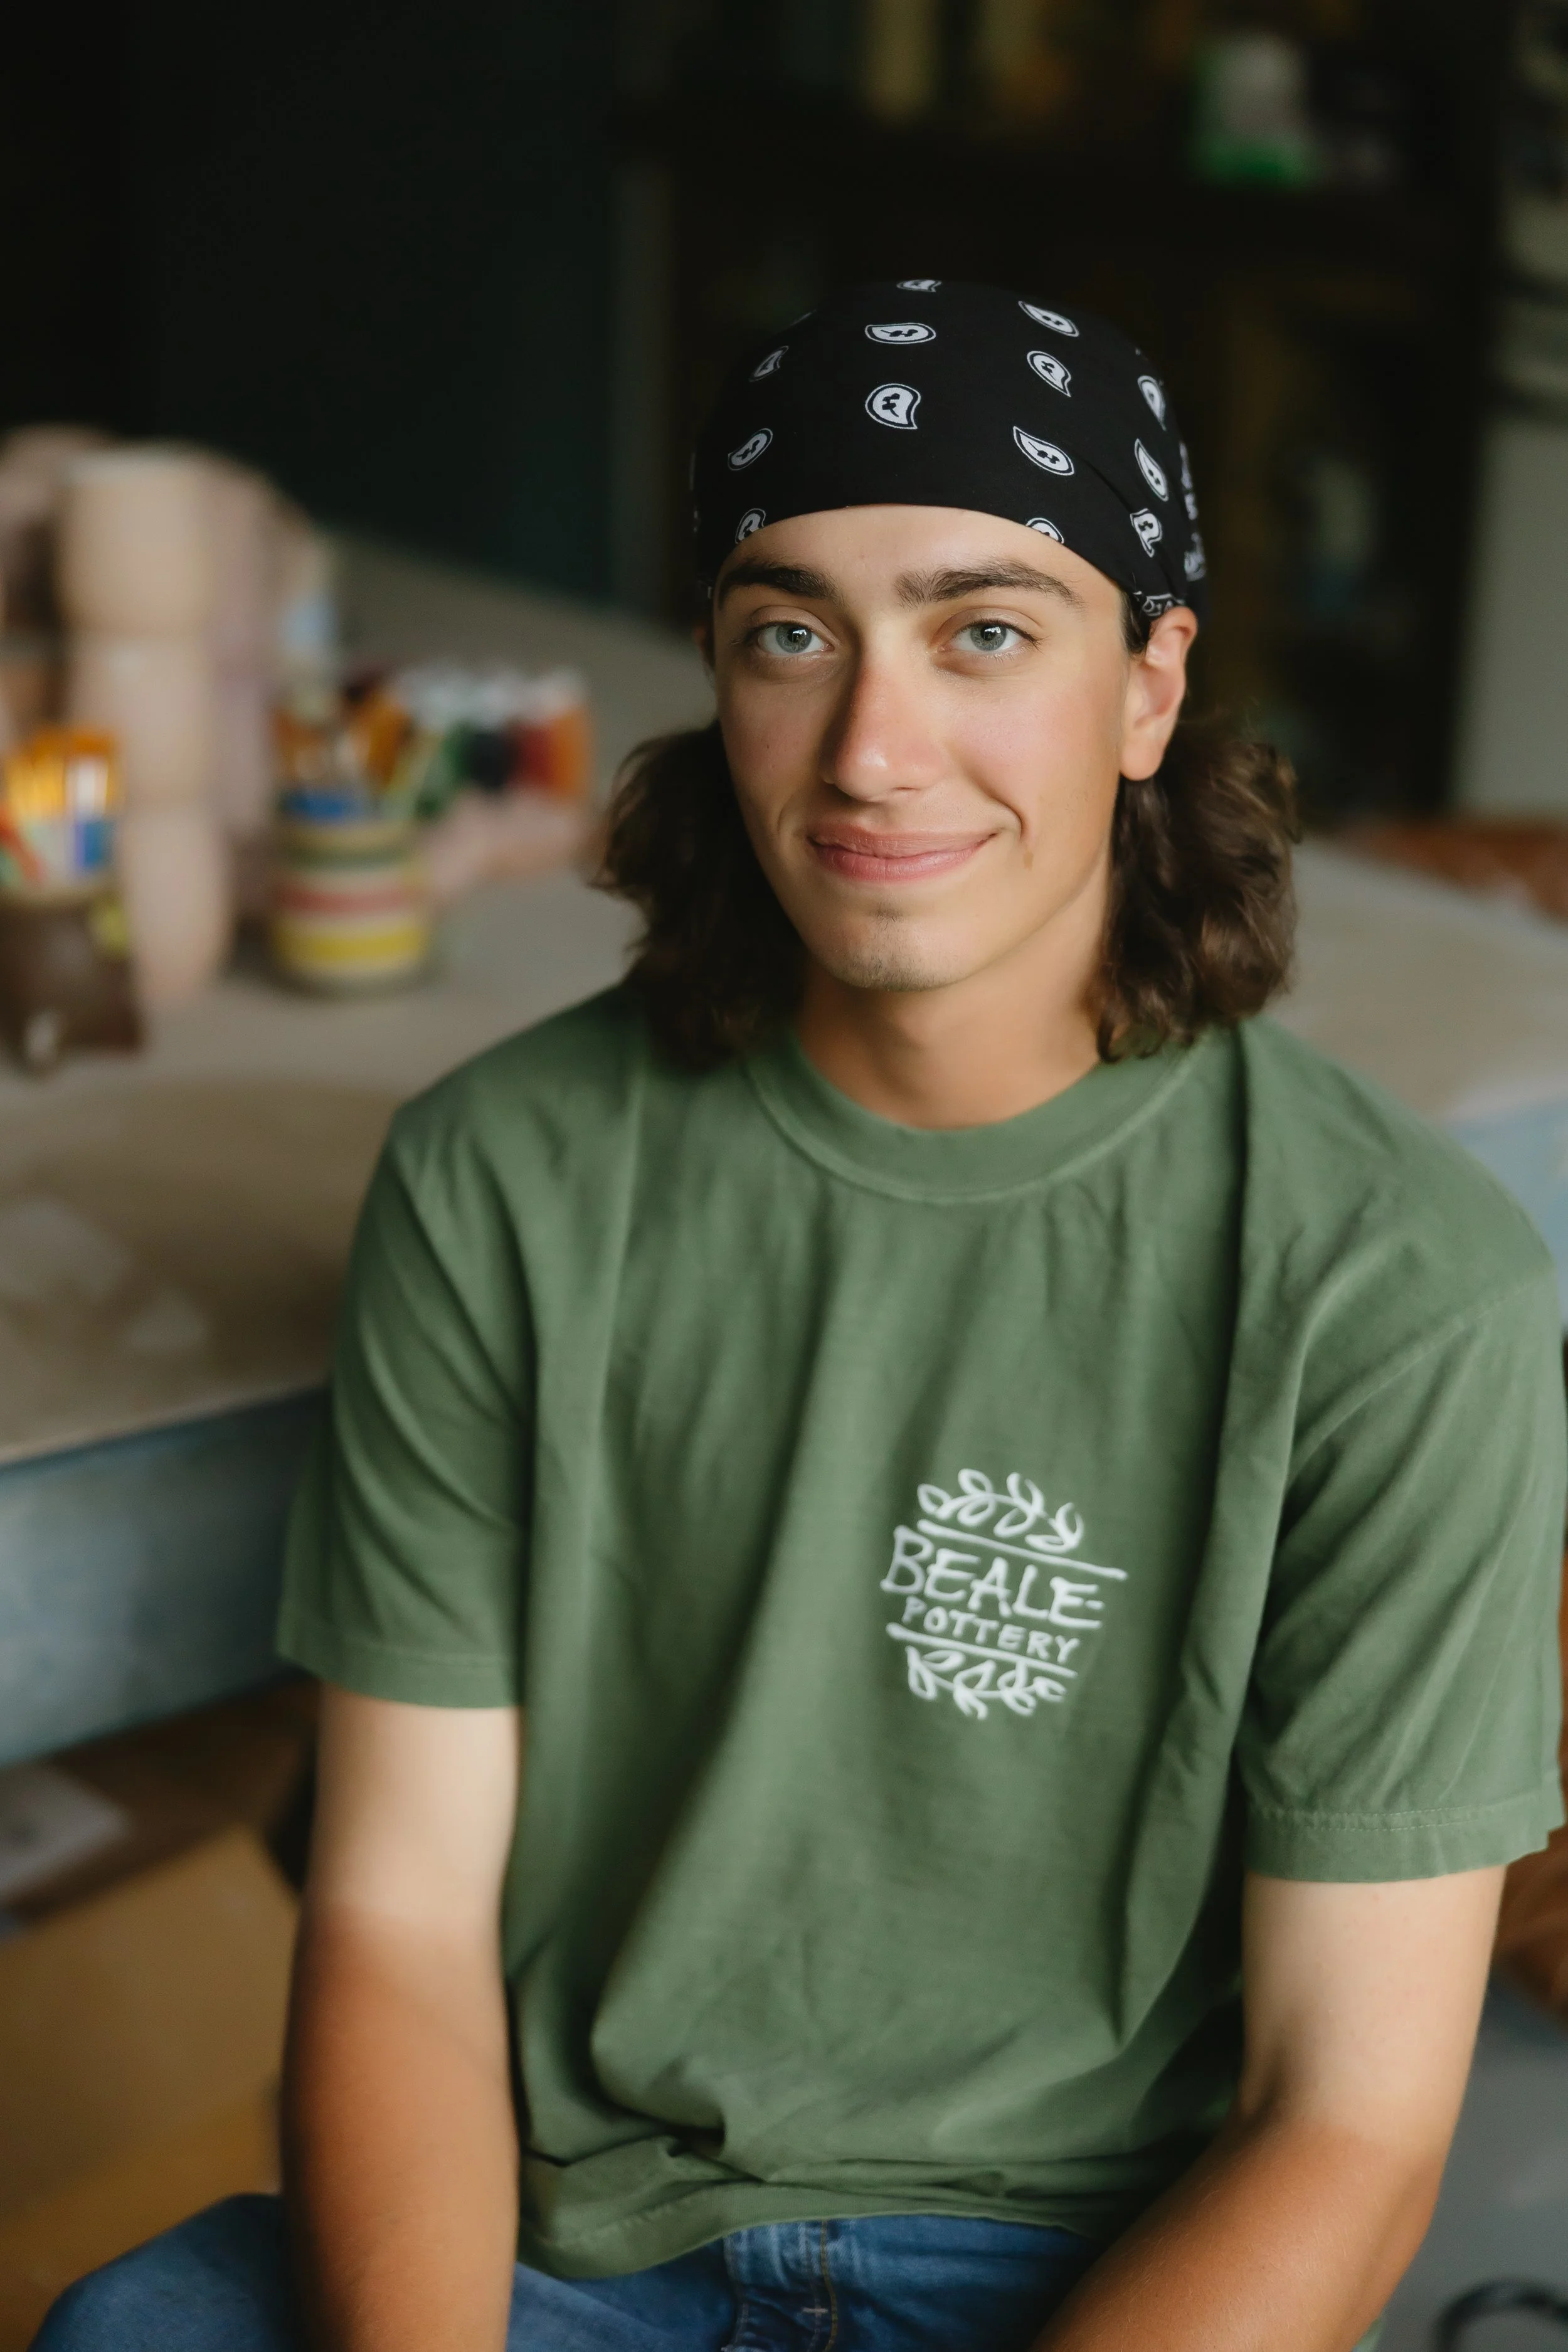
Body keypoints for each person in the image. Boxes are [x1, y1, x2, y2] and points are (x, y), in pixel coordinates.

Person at [35, 280, 1565, 2352]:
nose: (869, 747)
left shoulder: (1397, 1288)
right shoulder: (506, 1175)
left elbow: (1347, 2122)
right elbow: (394, 1925)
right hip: (576, 2250)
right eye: (790, 631)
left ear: (1145, 688)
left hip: (1069, 2278)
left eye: (984, 630)